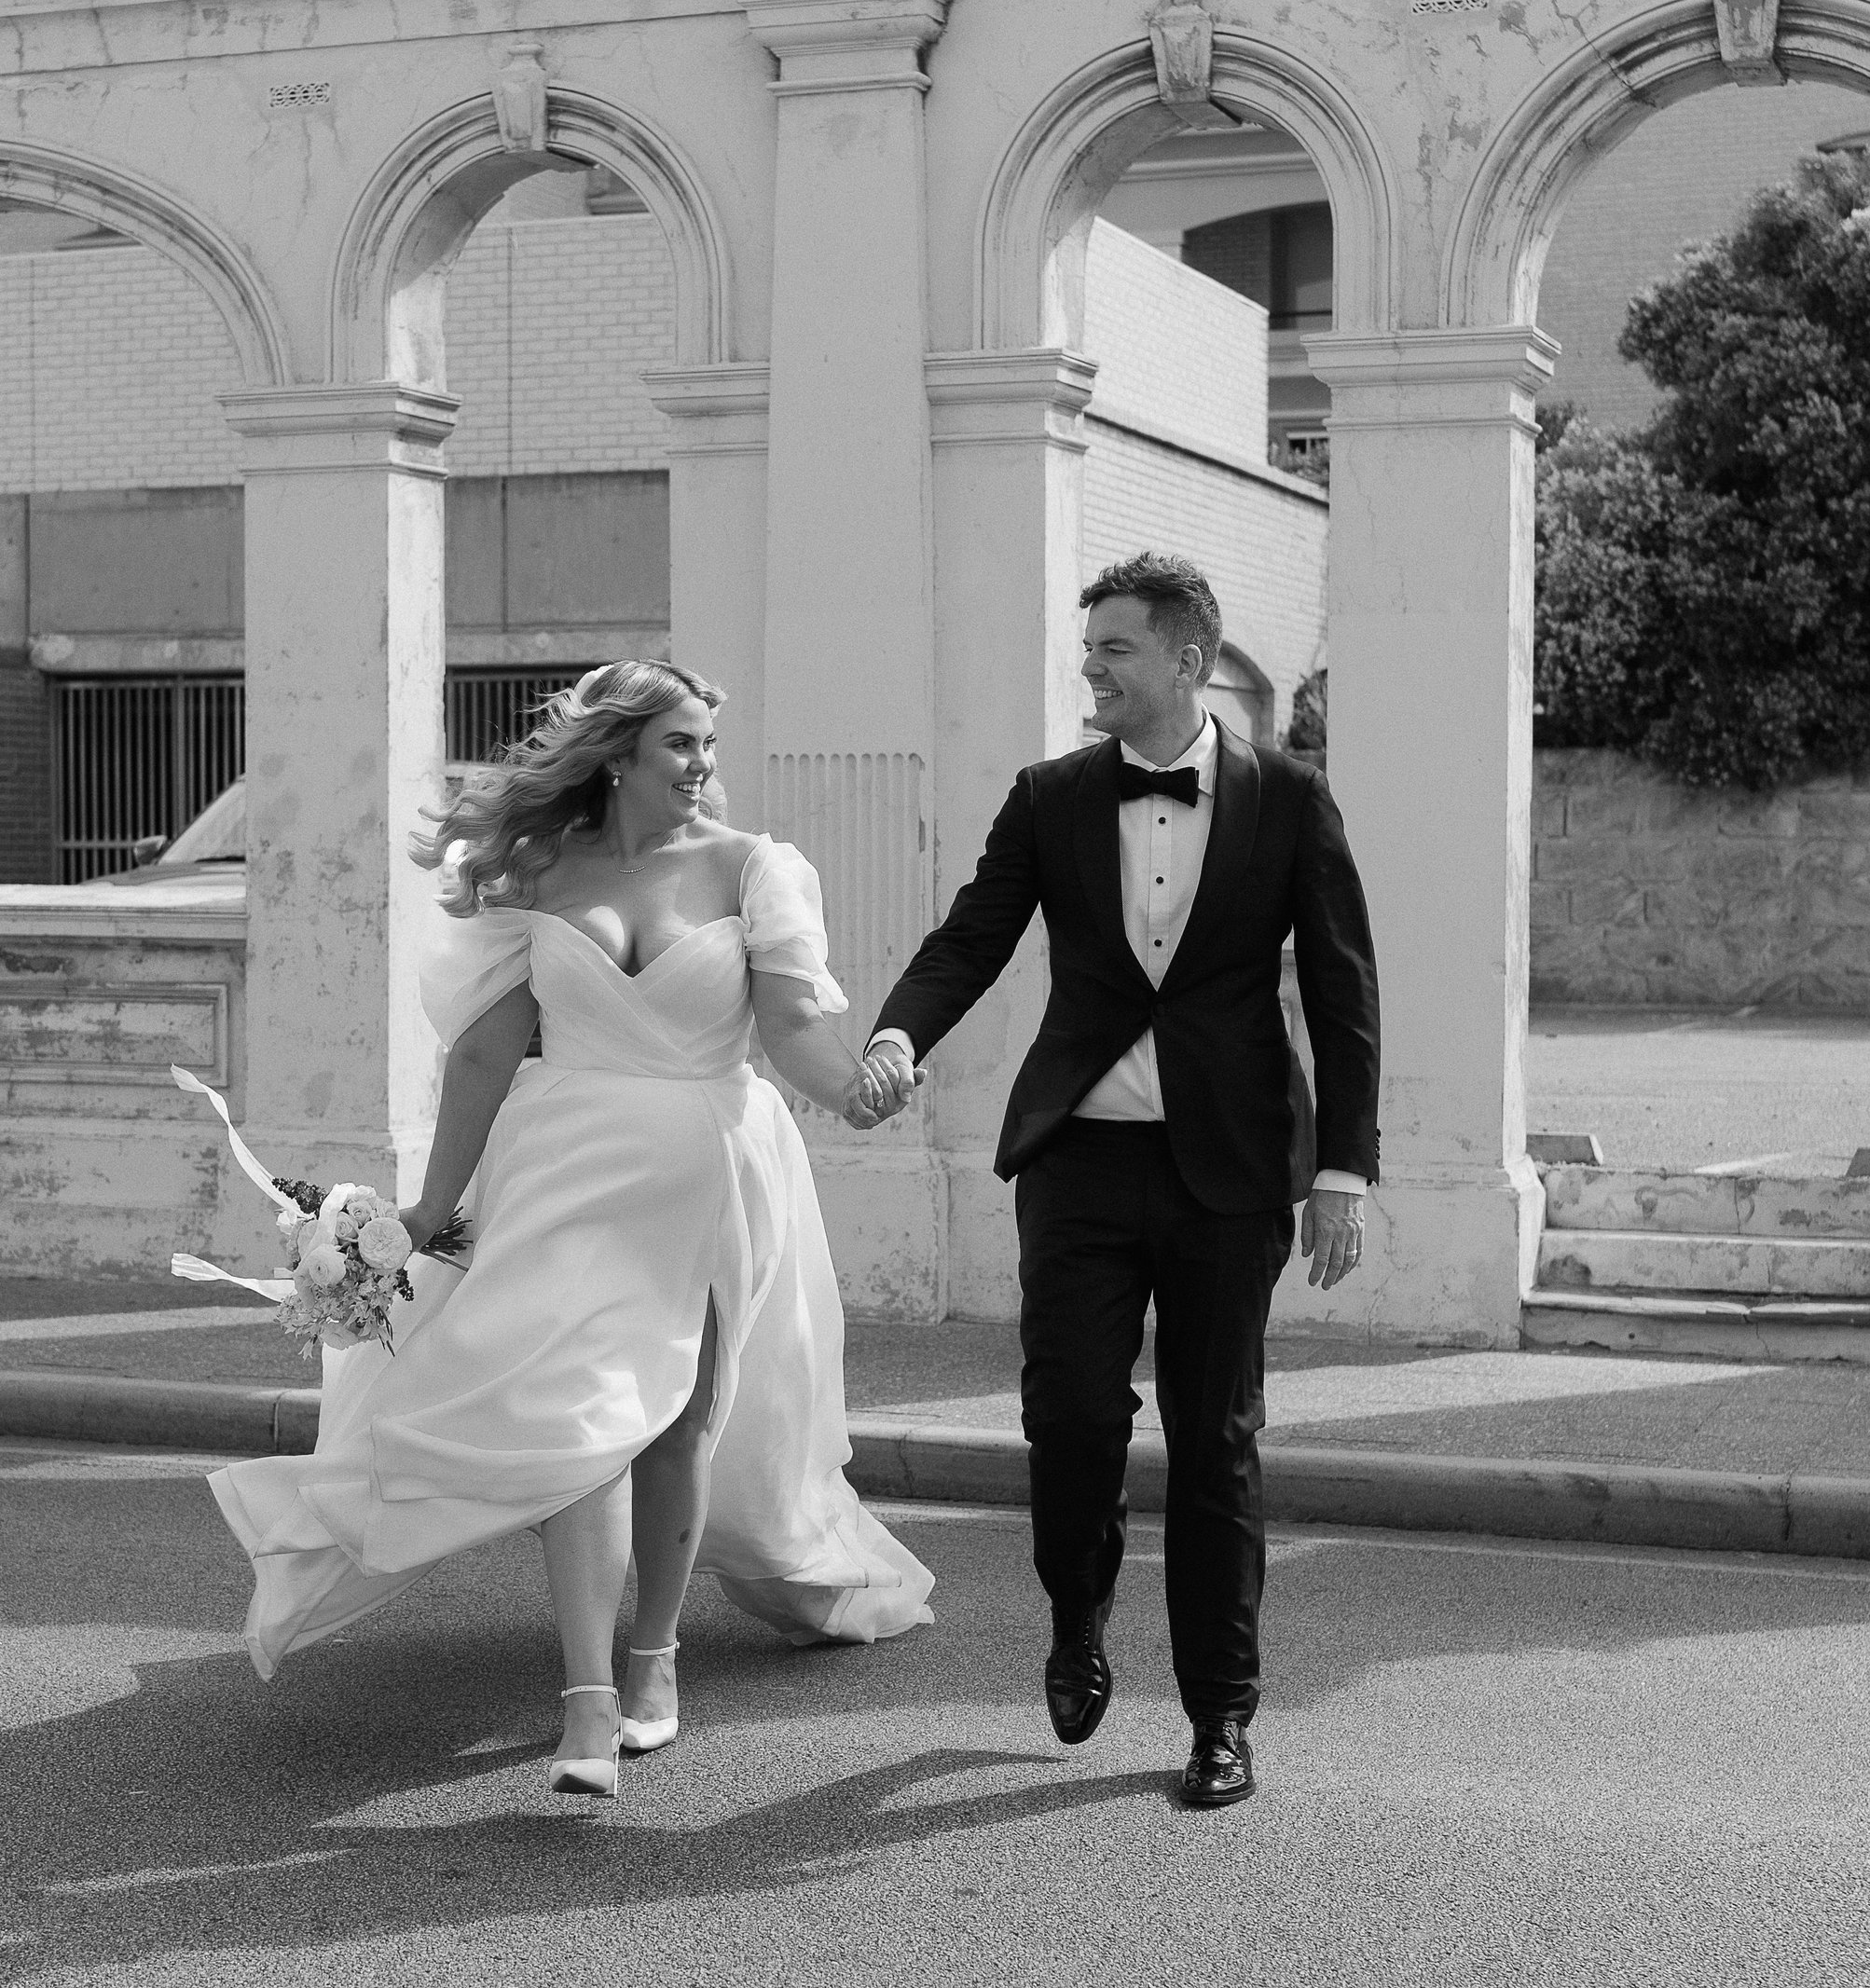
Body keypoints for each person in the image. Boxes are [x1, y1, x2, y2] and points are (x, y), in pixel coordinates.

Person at [207, 661, 933, 1801]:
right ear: (617, 756)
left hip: (707, 1167)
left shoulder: (754, 868)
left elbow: (791, 1029)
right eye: (680, 746)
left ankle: (655, 1668)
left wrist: (854, 1093)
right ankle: (587, 1704)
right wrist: (429, 1214)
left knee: (676, 1424)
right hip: (562, 1168)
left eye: (707, 745)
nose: (703, 767)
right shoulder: (538, 871)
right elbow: (486, 1054)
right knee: (574, 1419)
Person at [853, 553, 1379, 1814]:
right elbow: (973, 936)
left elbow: (1348, 986)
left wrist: (1344, 1170)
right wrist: (896, 1036)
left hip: (1232, 1172)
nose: (1090, 667)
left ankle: (1219, 1716)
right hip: (1079, 1161)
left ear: (1187, 661)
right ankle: (1078, 1609)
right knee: (1074, 1419)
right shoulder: (1050, 797)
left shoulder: (1289, 798)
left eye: (1114, 649)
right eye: (1089, 648)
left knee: (1218, 1442)